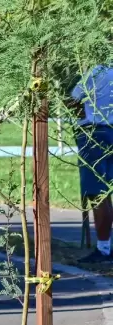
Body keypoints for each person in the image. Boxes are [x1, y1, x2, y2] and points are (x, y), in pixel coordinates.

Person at [70, 65, 113, 263]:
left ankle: (104, 248)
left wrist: (83, 117)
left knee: (98, 192)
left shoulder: (97, 71)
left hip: (95, 133)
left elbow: (74, 99)